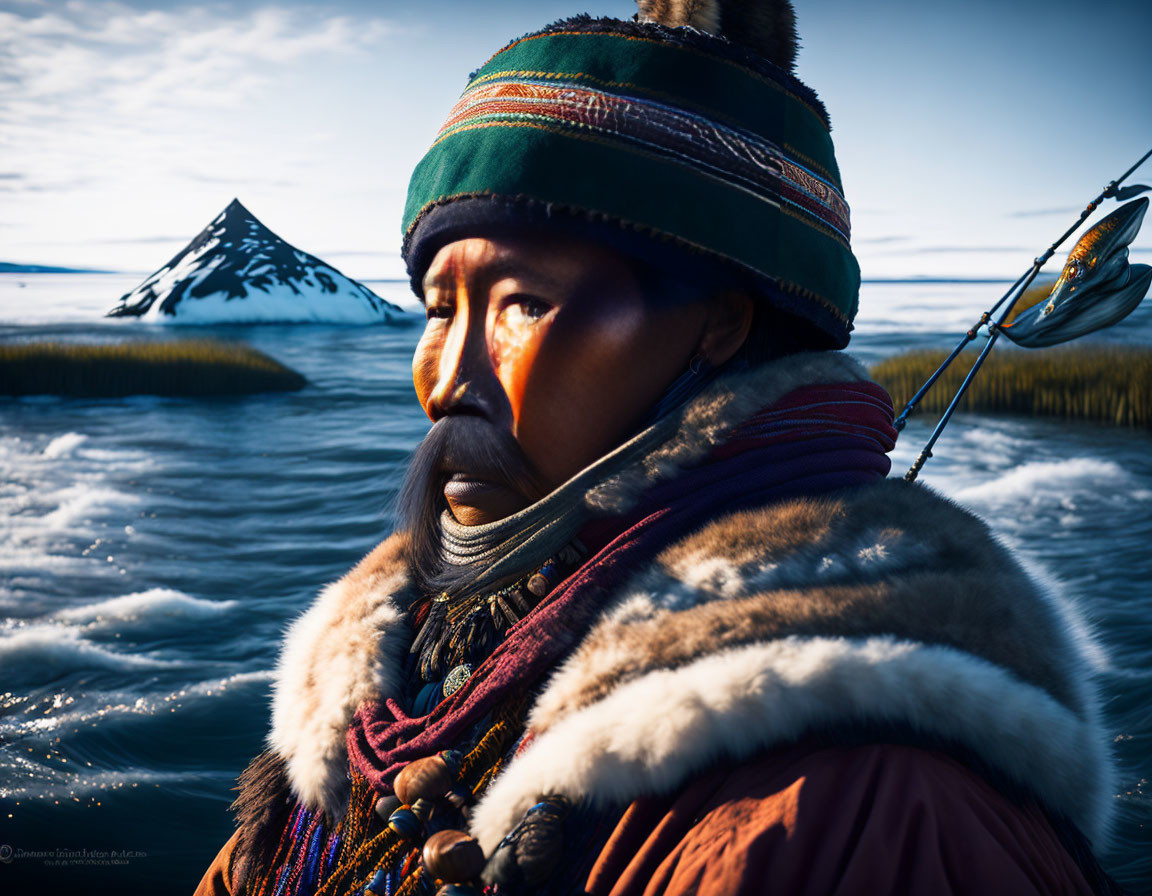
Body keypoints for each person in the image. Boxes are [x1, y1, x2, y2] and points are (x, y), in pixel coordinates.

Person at [197, 1, 1119, 893]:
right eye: (441, 309)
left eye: (524, 302)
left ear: (717, 324)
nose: (444, 379)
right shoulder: (382, 679)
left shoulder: (855, 803)